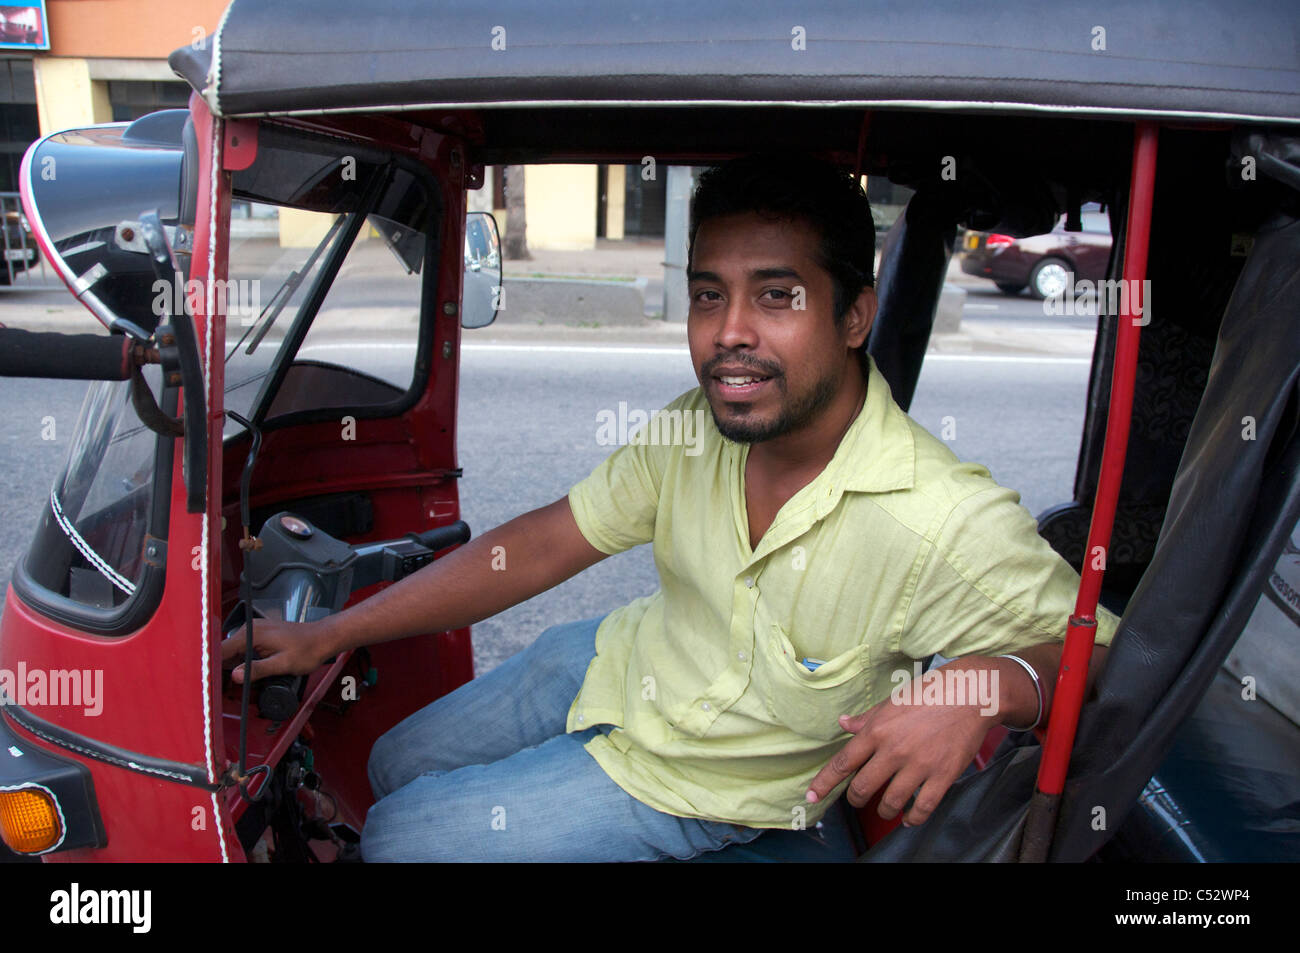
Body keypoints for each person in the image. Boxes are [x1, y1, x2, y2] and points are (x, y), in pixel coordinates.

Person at [222, 154, 1118, 861]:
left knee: (397, 835)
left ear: (855, 317)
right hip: (616, 660)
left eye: (777, 296)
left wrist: (980, 685)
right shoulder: (695, 428)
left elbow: (1112, 655)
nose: (730, 331)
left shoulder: (939, 517)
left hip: (699, 783)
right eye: (707, 295)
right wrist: (335, 634)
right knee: (389, 765)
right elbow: (539, 545)